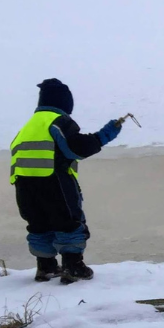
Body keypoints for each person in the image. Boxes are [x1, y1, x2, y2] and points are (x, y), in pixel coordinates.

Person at [10, 78, 123, 285]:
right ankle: (73, 267)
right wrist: (104, 135)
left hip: (24, 188)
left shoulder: (27, 127)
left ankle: (46, 267)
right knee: (69, 223)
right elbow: (76, 148)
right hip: (55, 184)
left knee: (39, 225)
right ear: (64, 102)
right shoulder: (58, 121)